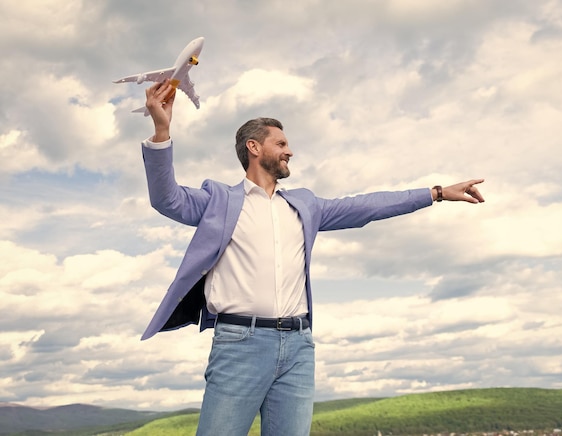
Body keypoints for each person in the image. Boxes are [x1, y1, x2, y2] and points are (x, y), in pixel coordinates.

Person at [140, 79, 485, 436]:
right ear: (254, 147)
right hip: (240, 344)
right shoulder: (219, 200)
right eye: (282, 143)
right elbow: (167, 199)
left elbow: (365, 207)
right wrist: (162, 130)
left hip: (299, 346)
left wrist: (437, 192)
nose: (290, 151)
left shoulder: (305, 205)